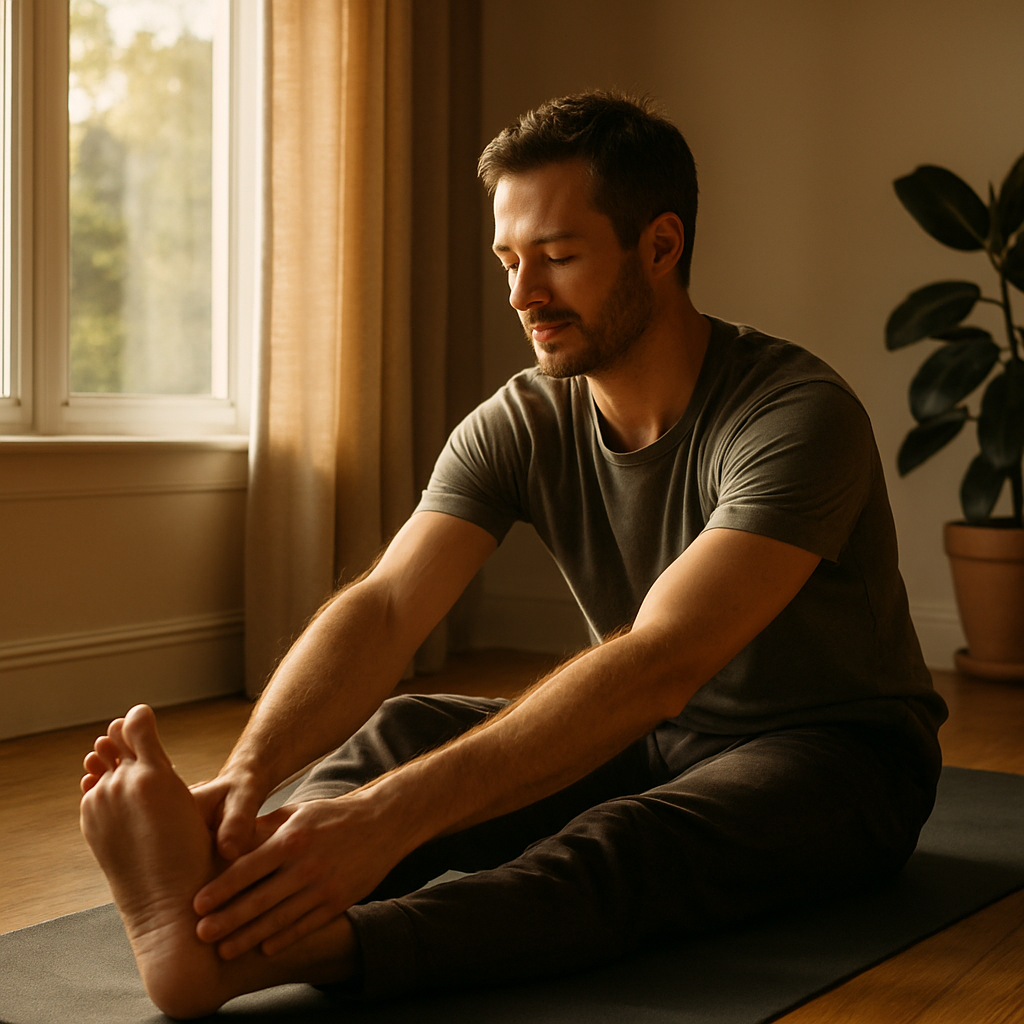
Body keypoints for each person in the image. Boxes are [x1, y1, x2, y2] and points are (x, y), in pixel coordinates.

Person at [80, 92, 947, 1020]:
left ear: (660, 248)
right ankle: (233, 871)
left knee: (622, 841)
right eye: (509, 260)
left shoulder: (795, 416)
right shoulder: (525, 417)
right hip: (656, 737)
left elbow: (662, 660)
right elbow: (384, 608)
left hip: (839, 759)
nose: (523, 295)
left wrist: (385, 821)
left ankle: (281, 952)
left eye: (559, 258)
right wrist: (245, 780)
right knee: (404, 736)